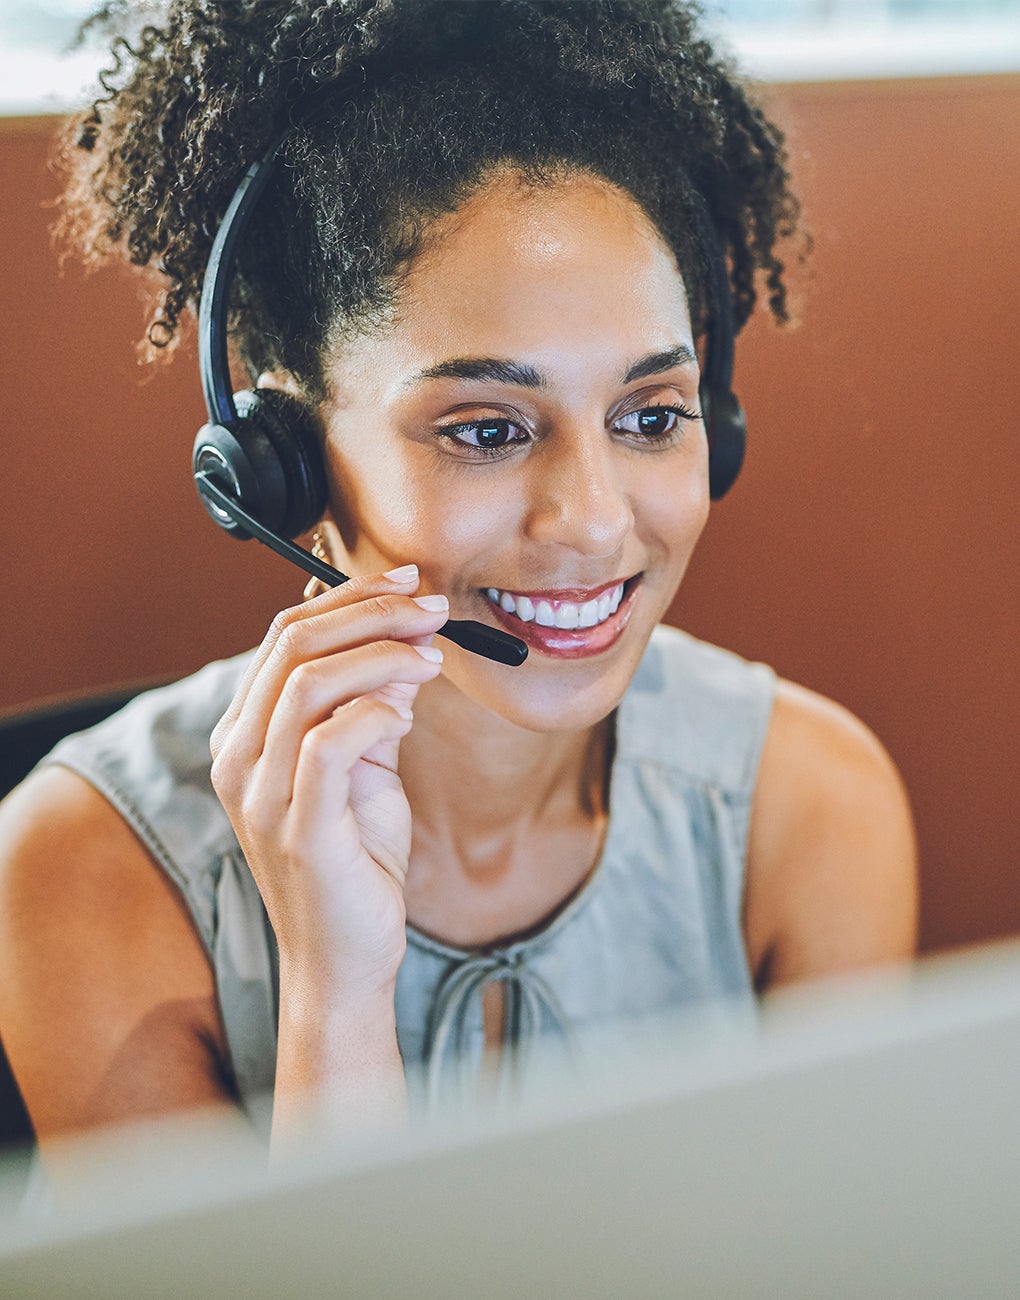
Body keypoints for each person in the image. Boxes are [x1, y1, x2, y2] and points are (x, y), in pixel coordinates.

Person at [0, 0, 916, 1156]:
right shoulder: (79, 874)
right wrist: (334, 992)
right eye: (485, 429)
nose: (591, 521)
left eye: (649, 415)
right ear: (280, 469)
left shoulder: (809, 809)